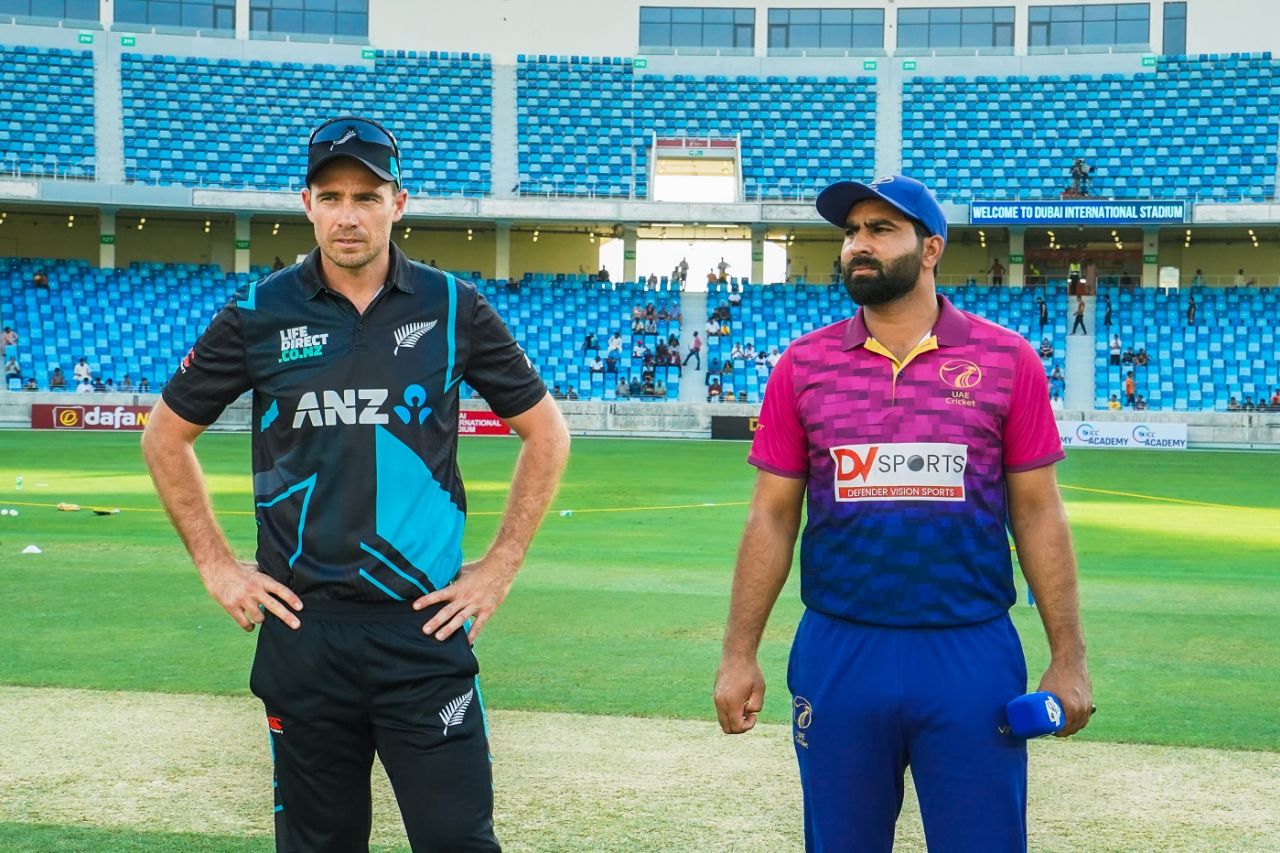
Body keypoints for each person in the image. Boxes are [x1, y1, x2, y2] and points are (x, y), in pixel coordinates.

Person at [140, 115, 570, 852]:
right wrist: (216, 564)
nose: (348, 214)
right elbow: (165, 436)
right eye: (331, 195)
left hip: (422, 629)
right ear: (305, 202)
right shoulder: (259, 313)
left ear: (398, 204)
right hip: (305, 632)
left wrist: (499, 567)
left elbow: (547, 433)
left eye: (366, 196)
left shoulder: (452, 305)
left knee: (459, 841)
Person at [714, 175, 1091, 853]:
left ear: (930, 249)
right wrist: (738, 652)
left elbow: (1038, 513)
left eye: (881, 229)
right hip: (840, 646)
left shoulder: (1006, 359)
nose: (858, 244)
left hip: (968, 648)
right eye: (851, 231)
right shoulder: (802, 366)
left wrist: (1069, 657)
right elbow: (771, 516)